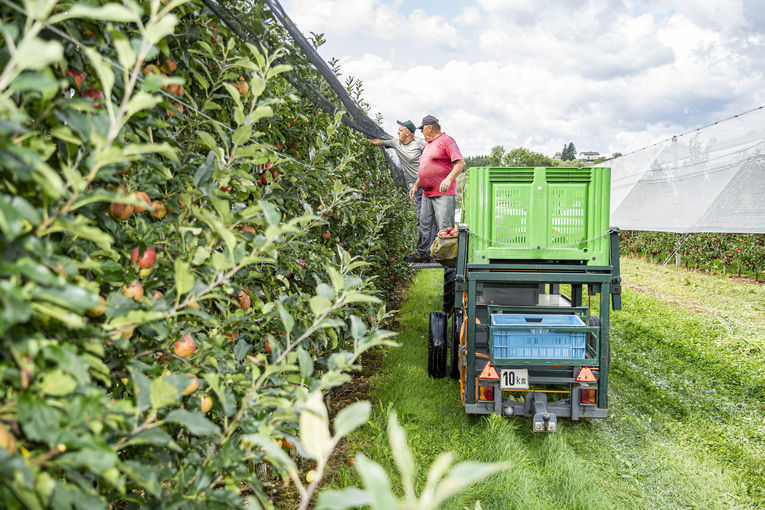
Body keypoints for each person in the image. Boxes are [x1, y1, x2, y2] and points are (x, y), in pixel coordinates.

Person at [408, 115, 465, 262]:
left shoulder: (447, 140)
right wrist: (416, 186)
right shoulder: (428, 145)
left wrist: (448, 179)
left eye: (422, 130)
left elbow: (460, 163)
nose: (422, 133)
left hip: (443, 193)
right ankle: (424, 254)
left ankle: (447, 260)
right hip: (427, 193)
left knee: (444, 228)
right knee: (425, 224)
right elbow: (425, 169)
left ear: (429, 128)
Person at [369, 121, 427, 259]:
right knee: (421, 219)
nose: (397, 132)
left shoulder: (420, 143)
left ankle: (432, 251)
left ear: (408, 132)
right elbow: (379, 142)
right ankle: (424, 252)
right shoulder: (396, 143)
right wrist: (365, 140)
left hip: (428, 185)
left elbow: (431, 161)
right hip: (416, 188)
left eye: (400, 130)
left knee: (428, 219)